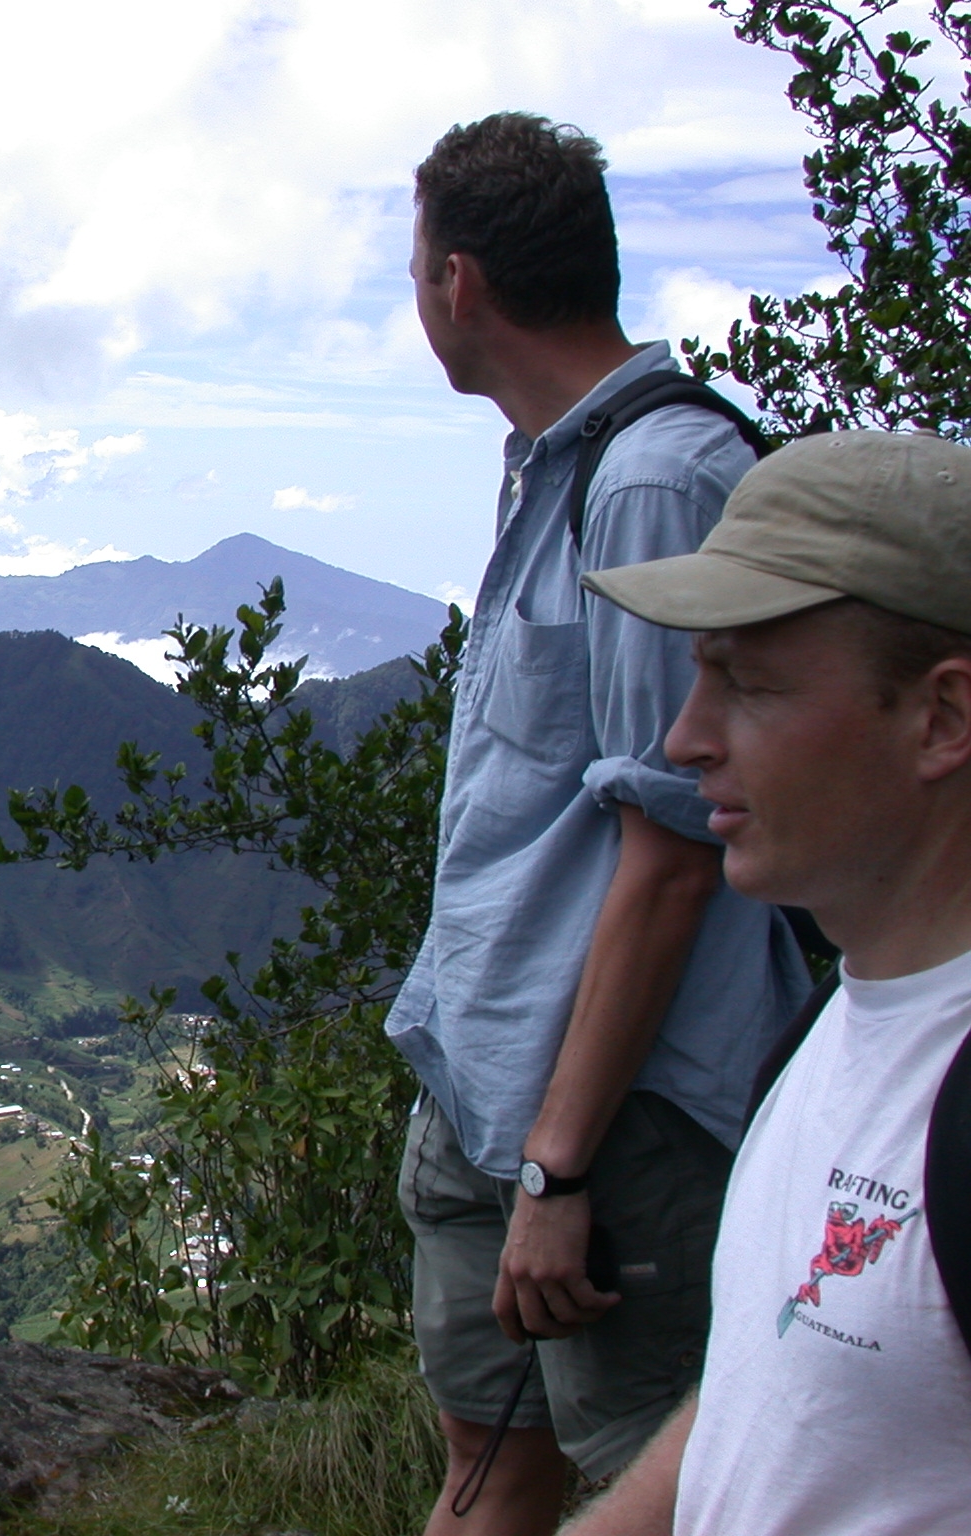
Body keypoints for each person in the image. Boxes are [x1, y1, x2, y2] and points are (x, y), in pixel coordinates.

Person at [389, 112, 810, 1532]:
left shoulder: (650, 484)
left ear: (459, 284)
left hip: (612, 1127)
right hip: (487, 1078)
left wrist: (561, 1169)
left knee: (659, 1485)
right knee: (487, 1466)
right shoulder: (549, 466)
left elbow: (676, 855)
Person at [564, 430, 971, 1534]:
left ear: (940, 718)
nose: (685, 739)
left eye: (745, 685)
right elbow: (775, 1389)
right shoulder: (831, 1018)